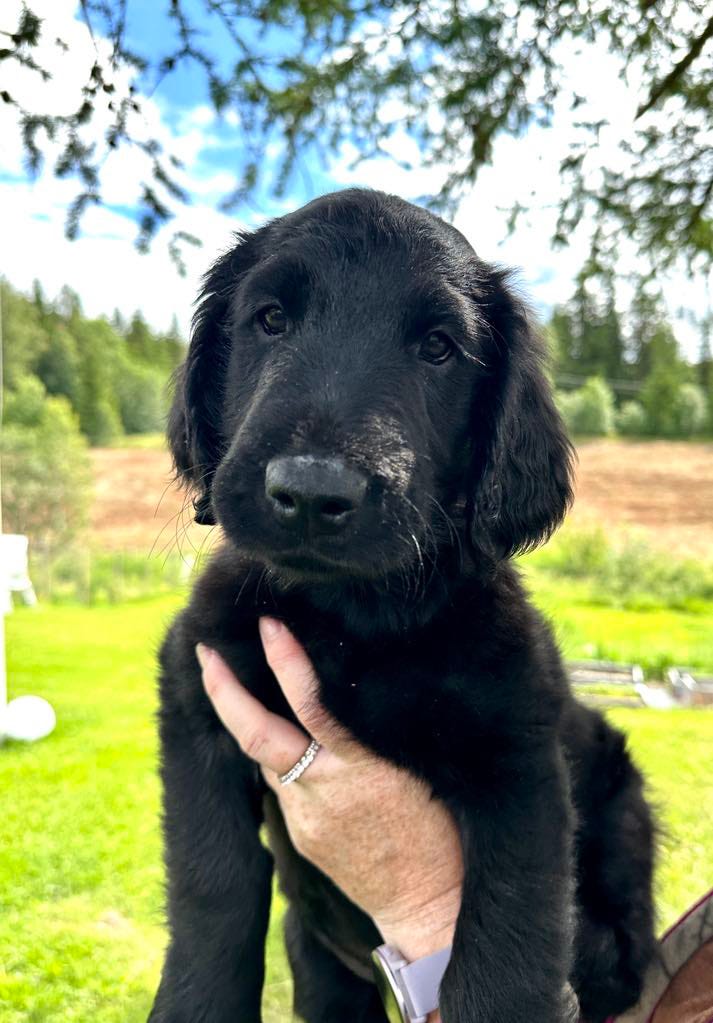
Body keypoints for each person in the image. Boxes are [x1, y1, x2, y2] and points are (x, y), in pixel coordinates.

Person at [196, 619, 713, 1023]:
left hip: (550, 955)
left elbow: (615, 980)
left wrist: (426, 910)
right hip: (332, 949)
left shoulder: (497, 662)